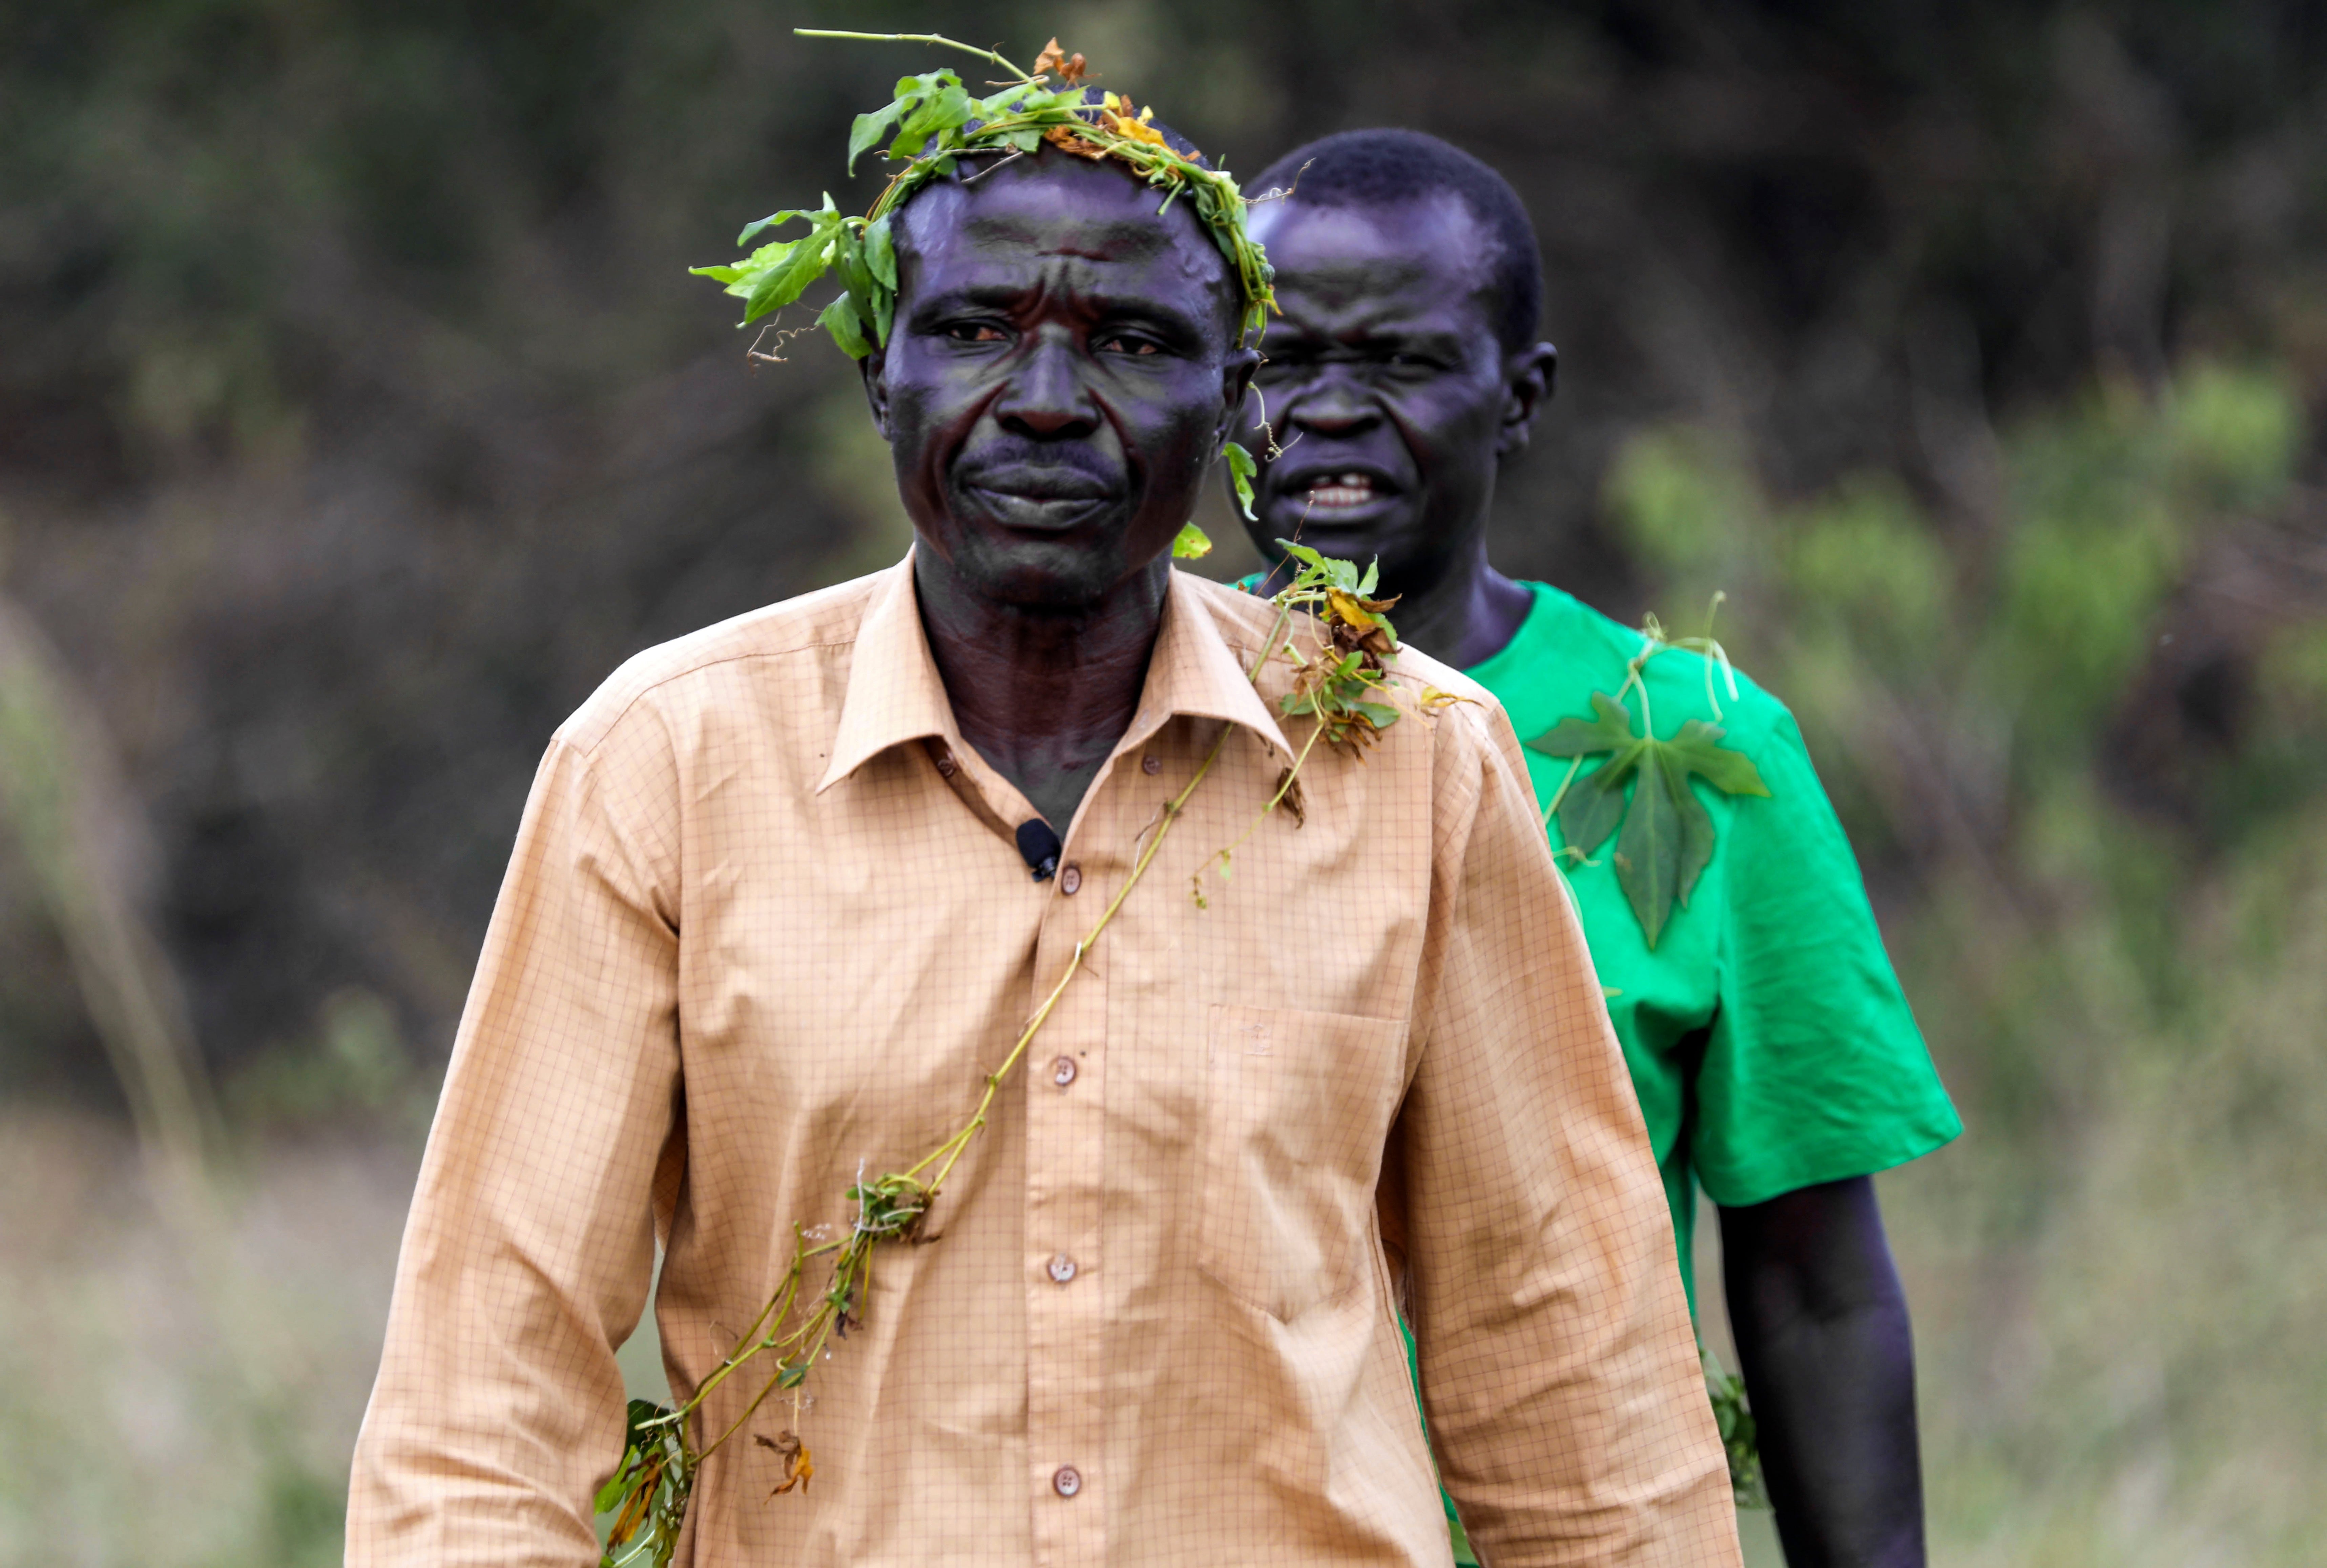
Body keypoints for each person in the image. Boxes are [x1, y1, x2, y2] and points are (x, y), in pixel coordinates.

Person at [346, 70, 1742, 1567]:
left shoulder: (1409, 762)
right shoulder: (668, 763)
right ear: (879, 370)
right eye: (972, 332)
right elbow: (488, 1387)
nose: (1047, 403)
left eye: (1135, 344)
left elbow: (1569, 1379)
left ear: (1232, 400)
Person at [1233, 128, 1962, 1568]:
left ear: (1518, 399)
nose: (1325, 413)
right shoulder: (1132, 722)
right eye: (1276, 362)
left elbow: (1811, 1280)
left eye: (1398, 364)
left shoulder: (1687, 746)